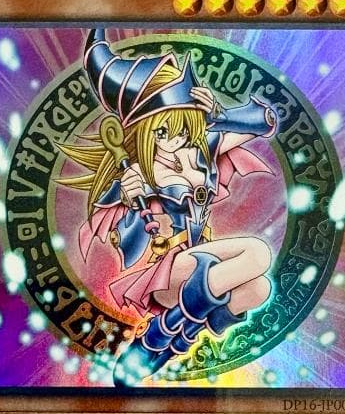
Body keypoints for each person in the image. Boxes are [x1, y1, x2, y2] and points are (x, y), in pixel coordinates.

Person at [59, 28, 278, 385]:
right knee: (258, 253)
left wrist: (217, 114)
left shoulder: (200, 151)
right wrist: (129, 197)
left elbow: (262, 123)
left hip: (199, 267)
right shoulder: (139, 173)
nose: (175, 139)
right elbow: (121, 227)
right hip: (168, 270)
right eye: (162, 131)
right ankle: (159, 335)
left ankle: (171, 338)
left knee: (259, 290)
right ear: (144, 131)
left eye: (182, 128)